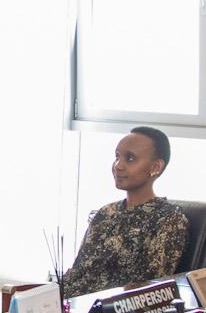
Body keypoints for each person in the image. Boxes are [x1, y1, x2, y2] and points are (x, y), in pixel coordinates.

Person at [59, 126, 189, 297]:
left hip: (115, 308)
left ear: (156, 166)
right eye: (117, 157)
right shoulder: (105, 213)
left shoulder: (169, 219)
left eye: (130, 158)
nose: (118, 166)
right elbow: (78, 271)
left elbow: (148, 288)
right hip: (71, 304)